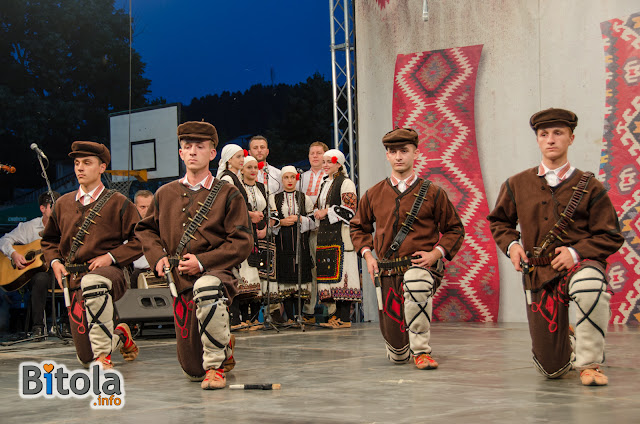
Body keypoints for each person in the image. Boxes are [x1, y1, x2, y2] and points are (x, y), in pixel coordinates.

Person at [487, 108, 624, 386]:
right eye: (544, 134)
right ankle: (568, 340)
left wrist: (576, 253)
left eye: (558, 133)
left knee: (590, 286)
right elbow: (499, 221)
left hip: (580, 265)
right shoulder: (516, 184)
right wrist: (512, 245)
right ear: (538, 140)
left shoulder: (591, 187)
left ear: (571, 138)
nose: (551, 139)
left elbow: (610, 235)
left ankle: (590, 364)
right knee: (551, 370)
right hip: (538, 273)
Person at [135, 121, 253, 390]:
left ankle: (216, 366)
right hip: (180, 280)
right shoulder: (164, 193)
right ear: (180, 153)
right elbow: (144, 230)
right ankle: (222, 344)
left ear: (212, 153)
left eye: (200, 147)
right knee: (191, 369)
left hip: (216, 273)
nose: (192, 152)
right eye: (187, 147)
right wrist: (157, 257)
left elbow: (243, 241)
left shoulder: (228, 193)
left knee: (207, 287)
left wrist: (203, 261)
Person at [350, 128, 465, 369]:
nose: (399, 156)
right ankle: (404, 350)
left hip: (419, 267)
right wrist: (368, 256)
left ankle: (422, 351)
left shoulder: (433, 192)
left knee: (416, 282)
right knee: (397, 356)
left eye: (404, 151)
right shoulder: (373, 194)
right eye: (393, 152)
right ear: (387, 156)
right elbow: (358, 228)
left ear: (415, 153)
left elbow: (455, 229)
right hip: (387, 272)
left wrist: (435, 254)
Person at [41, 141, 140, 369]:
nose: (80, 168)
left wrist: (112, 257)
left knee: (93, 283)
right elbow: (49, 241)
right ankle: (120, 335)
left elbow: (141, 239)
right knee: (85, 357)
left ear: (102, 167)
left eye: (87, 163)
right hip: (74, 279)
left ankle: (104, 357)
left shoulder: (120, 203)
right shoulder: (62, 204)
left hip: (110, 273)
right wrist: (55, 262)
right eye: (77, 163)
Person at [0, 191, 60, 339]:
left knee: (69, 274)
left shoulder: (64, 228)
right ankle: (38, 327)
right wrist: (13, 254)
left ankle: (66, 324)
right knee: (40, 278)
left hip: (56, 269)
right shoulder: (29, 227)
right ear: (43, 209)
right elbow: (4, 240)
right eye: (53, 207)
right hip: (32, 276)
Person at [315, 149, 362, 328]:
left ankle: (344, 318)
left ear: (339, 164)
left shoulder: (346, 183)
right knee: (331, 275)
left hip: (341, 237)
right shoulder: (325, 183)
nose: (325, 165)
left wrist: (327, 211)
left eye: (329, 162)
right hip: (326, 236)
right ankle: (336, 316)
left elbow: (350, 210)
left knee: (344, 276)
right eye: (324, 161)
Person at [270, 166, 316, 322]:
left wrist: (300, 219)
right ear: (281, 179)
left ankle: (300, 315)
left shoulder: (305, 198)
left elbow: (314, 221)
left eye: (292, 177)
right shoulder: (274, 198)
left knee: (301, 277)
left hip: (300, 242)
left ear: (297, 179)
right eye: (286, 177)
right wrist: (281, 222)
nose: (290, 181)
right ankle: (289, 317)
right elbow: (271, 221)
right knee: (285, 278)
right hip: (282, 242)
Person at [299, 141, 329, 320]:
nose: (315, 156)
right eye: (312, 153)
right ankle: (308, 310)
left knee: (326, 268)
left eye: (319, 153)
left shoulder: (330, 176)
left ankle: (328, 309)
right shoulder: (302, 177)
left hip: (326, 229)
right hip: (307, 229)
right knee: (310, 270)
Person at [237, 155, 267, 328]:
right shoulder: (239, 188)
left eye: (256, 167)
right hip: (246, 234)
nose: (253, 171)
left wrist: (266, 227)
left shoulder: (262, 187)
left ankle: (255, 318)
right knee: (246, 276)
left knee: (259, 276)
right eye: (249, 167)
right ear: (242, 169)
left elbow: (271, 210)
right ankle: (244, 317)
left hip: (261, 236)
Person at [131, 190, 154, 288]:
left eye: (150, 207)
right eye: (142, 207)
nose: (147, 211)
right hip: (136, 274)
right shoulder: (127, 229)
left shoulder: (164, 227)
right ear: (134, 207)